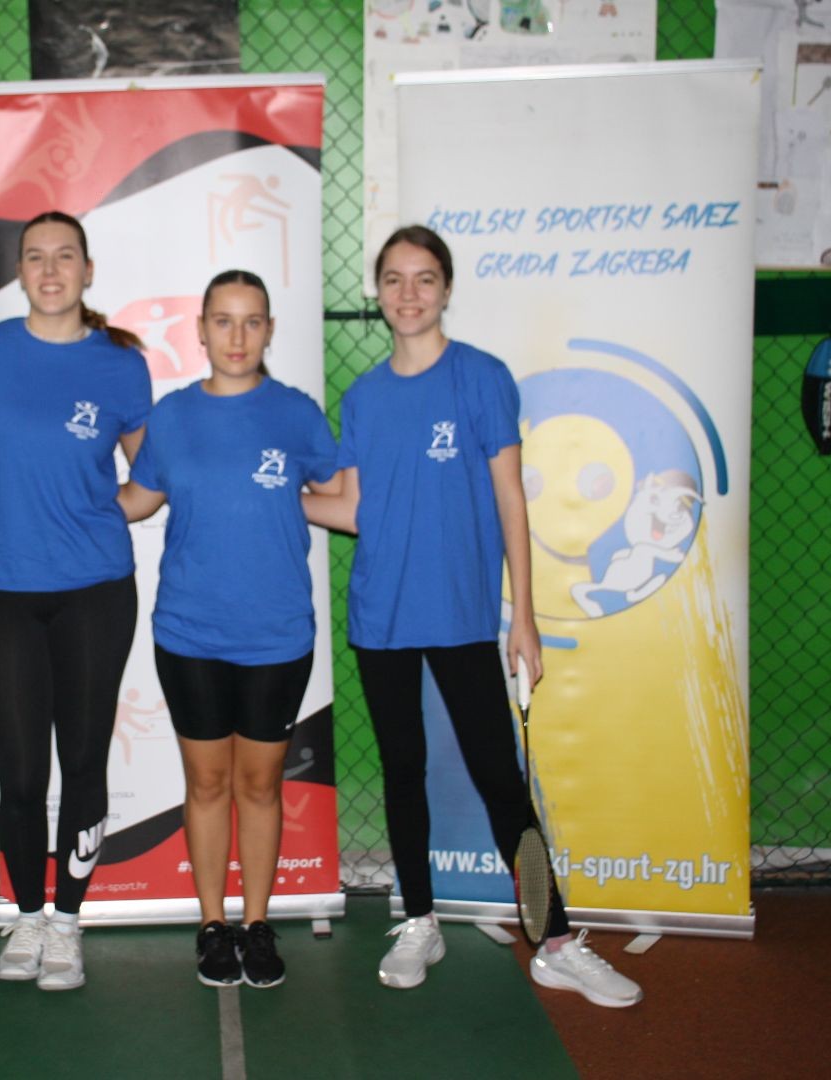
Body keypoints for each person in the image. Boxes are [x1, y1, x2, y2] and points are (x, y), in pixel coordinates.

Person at [303, 225, 643, 1008]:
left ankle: (554, 941)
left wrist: (523, 617)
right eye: (394, 279)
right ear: (377, 292)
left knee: (499, 778)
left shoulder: (482, 378)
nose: (409, 293)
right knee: (403, 772)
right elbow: (354, 507)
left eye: (424, 278)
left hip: (459, 613)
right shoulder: (363, 397)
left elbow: (511, 498)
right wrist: (274, 497)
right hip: (381, 616)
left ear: (447, 289)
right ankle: (419, 921)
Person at [118, 270, 337, 989]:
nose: (237, 336)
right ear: (201, 330)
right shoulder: (174, 415)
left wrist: (280, 501)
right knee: (208, 782)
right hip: (190, 633)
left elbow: (342, 498)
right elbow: (139, 499)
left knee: (261, 785)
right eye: (223, 321)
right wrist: (57, 493)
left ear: (269, 329)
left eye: (251, 321)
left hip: (277, 634)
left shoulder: (297, 414)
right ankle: (212, 925)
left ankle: (257, 923)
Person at [0, 211, 150, 991]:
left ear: (87, 270)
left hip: (95, 592)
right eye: (35, 256)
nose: (50, 269)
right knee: (22, 774)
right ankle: (27, 918)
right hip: (2, 590)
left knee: (85, 763)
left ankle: (67, 923)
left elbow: (151, 477)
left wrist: (101, 513)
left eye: (65, 255)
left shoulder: (120, 365)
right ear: (19, 271)